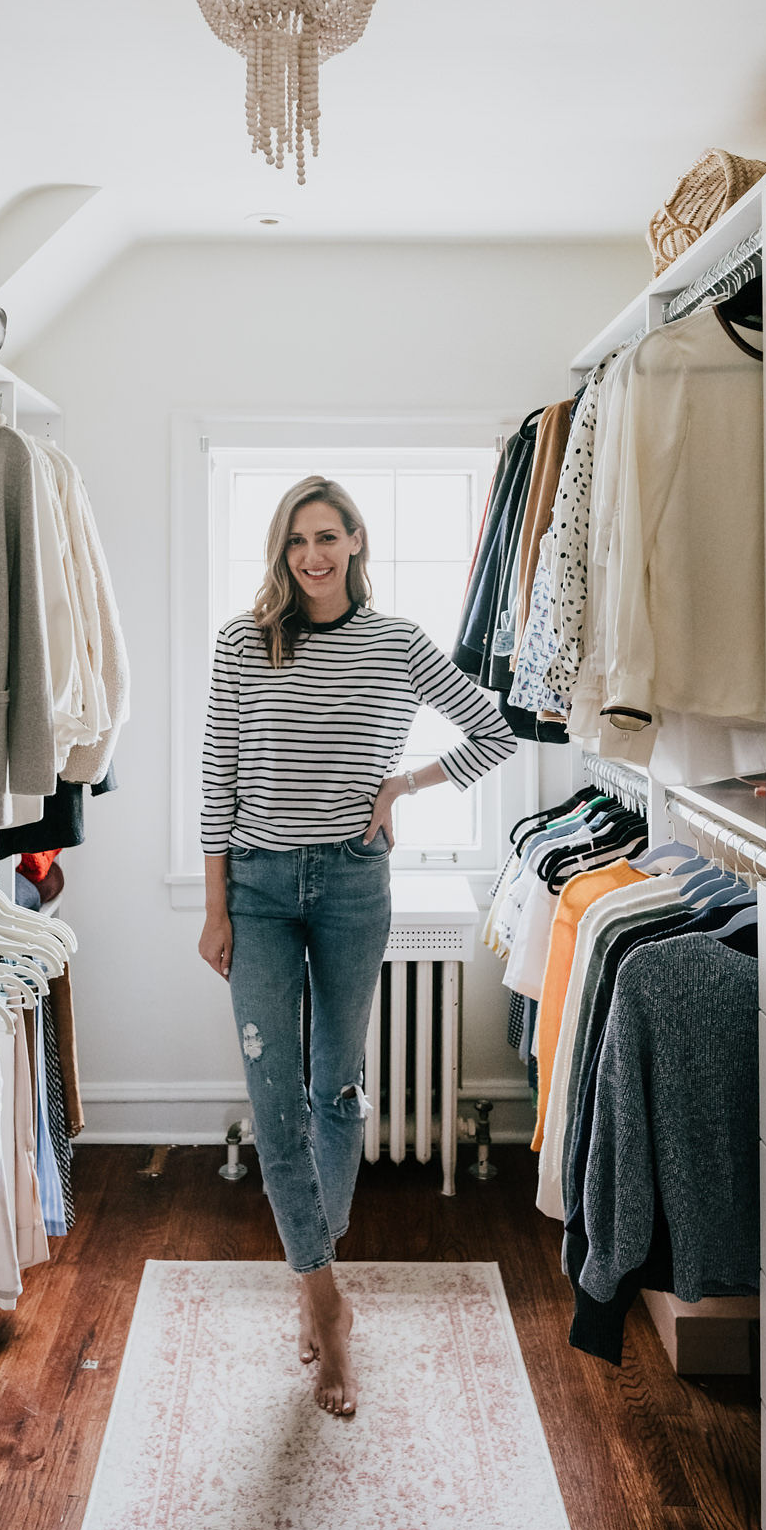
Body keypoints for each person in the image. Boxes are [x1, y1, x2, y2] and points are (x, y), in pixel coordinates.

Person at [197, 475, 515, 1415]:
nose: (313, 555)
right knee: (273, 1093)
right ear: (281, 551)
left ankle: (311, 1271)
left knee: (335, 1087)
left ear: (356, 543)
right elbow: (217, 777)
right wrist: (214, 908)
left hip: (349, 885)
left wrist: (403, 786)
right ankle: (325, 1299)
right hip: (255, 889)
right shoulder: (241, 644)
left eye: (328, 536)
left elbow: (494, 730)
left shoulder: (396, 643)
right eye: (297, 540)